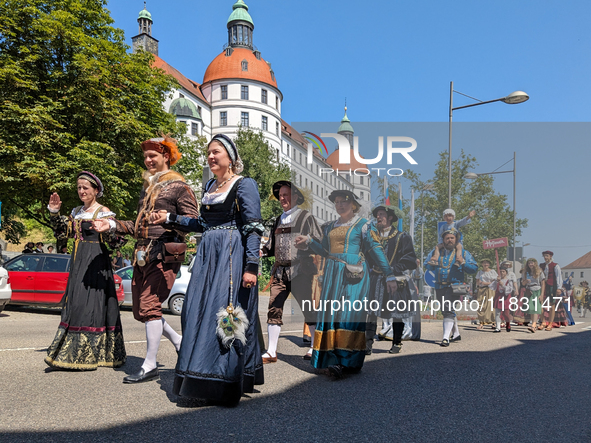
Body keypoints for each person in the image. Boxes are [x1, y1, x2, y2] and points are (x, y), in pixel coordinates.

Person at [150, 134, 264, 405]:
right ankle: (202, 373)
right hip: (207, 258)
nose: (211, 157)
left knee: (227, 315)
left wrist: (251, 266)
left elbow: (253, 228)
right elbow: (202, 224)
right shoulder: (211, 185)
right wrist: (170, 218)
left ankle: (225, 381)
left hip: (230, 256)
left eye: (216, 152)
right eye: (209, 153)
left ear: (230, 157)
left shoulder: (244, 185)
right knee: (195, 311)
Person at [93, 135, 199, 384]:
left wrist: (169, 218)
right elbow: (137, 225)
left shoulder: (179, 187)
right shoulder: (148, 188)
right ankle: (178, 341)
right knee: (142, 312)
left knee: (150, 307)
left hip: (163, 255)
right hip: (142, 255)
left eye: (153, 156)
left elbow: (193, 221)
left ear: (166, 157)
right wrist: (110, 224)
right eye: (146, 157)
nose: (148, 160)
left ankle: (150, 365)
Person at [294, 190, 397, 379]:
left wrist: (389, 274)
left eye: (344, 202)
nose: (340, 205)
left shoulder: (364, 225)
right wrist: (308, 241)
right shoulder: (330, 227)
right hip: (333, 273)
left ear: (354, 205)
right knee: (331, 315)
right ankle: (330, 361)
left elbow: (376, 249)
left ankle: (347, 362)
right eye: (337, 202)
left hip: (353, 274)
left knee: (349, 314)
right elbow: (324, 251)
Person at [45, 171, 126, 370]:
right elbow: (62, 233)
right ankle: (73, 351)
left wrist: (108, 229)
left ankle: (90, 353)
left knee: (91, 305)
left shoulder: (103, 212)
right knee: (75, 303)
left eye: (85, 188)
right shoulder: (76, 212)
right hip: (78, 261)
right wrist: (54, 212)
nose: (81, 191)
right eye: (79, 188)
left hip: (96, 263)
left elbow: (117, 243)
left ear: (96, 191)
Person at [260, 180, 322, 363]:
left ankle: (314, 347)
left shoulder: (306, 217)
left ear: (295, 197)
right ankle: (271, 352)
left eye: (286, 195)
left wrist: (309, 240)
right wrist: (261, 251)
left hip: (301, 270)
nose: (282, 198)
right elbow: (270, 246)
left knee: (308, 308)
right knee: (274, 307)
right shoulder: (278, 220)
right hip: (280, 271)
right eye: (280, 195)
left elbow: (320, 242)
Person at [365, 204, 417, 355]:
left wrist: (392, 269)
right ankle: (367, 345)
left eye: (381, 214)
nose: (378, 217)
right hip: (375, 278)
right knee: (371, 312)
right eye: (377, 215)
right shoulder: (372, 237)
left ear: (390, 218)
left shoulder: (402, 237)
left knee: (397, 312)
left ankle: (397, 342)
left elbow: (411, 260)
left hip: (395, 279)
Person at [424, 228, 478, 346]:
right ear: (443, 240)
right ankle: (456, 334)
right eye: (447, 238)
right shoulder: (435, 252)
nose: (449, 240)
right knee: (445, 311)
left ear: (456, 239)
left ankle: (445, 338)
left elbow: (474, 269)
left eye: (452, 238)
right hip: (439, 287)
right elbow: (426, 265)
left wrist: (463, 262)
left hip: (455, 287)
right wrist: (432, 263)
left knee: (448, 310)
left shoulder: (464, 253)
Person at [539, 251, 566, 330]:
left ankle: (550, 323)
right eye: (544, 256)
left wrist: (559, 288)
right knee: (540, 303)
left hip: (552, 286)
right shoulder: (541, 265)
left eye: (547, 256)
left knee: (552, 305)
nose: (545, 257)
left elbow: (558, 277)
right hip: (544, 286)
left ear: (550, 256)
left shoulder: (555, 266)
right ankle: (543, 321)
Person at [520, 258, 545, 333]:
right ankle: (534, 324)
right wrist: (525, 281)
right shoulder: (525, 272)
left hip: (537, 289)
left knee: (535, 308)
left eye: (532, 263)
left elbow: (543, 283)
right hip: (529, 290)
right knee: (531, 308)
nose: (530, 264)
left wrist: (542, 294)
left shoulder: (539, 271)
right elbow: (523, 284)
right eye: (529, 263)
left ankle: (533, 325)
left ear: (535, 264)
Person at [490, 267, 514, 332]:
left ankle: (508, 324)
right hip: (498, 297)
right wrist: (496, 281)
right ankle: (498, 327)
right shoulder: (497, 280)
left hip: (505, 298)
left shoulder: (509, 280)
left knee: (506, 314)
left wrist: (503, 285)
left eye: (503, 271)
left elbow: (509, 290)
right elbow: (492, 287)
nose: (502, 273)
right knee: (497, 313)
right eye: (501, 272)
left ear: (506, 273)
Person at [475, 259, 497, 330]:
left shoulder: (492, 271)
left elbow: (495, 281)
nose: (485, 264)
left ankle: (493, 322)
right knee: (481, 306)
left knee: (490, 306)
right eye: (484, 263)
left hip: (490, 289)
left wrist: (487, 283)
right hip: (482, 290)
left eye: (487, 263)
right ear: (482, 264)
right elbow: (478, 281)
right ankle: (481, 323)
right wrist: (479, 285)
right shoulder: (480, 272)